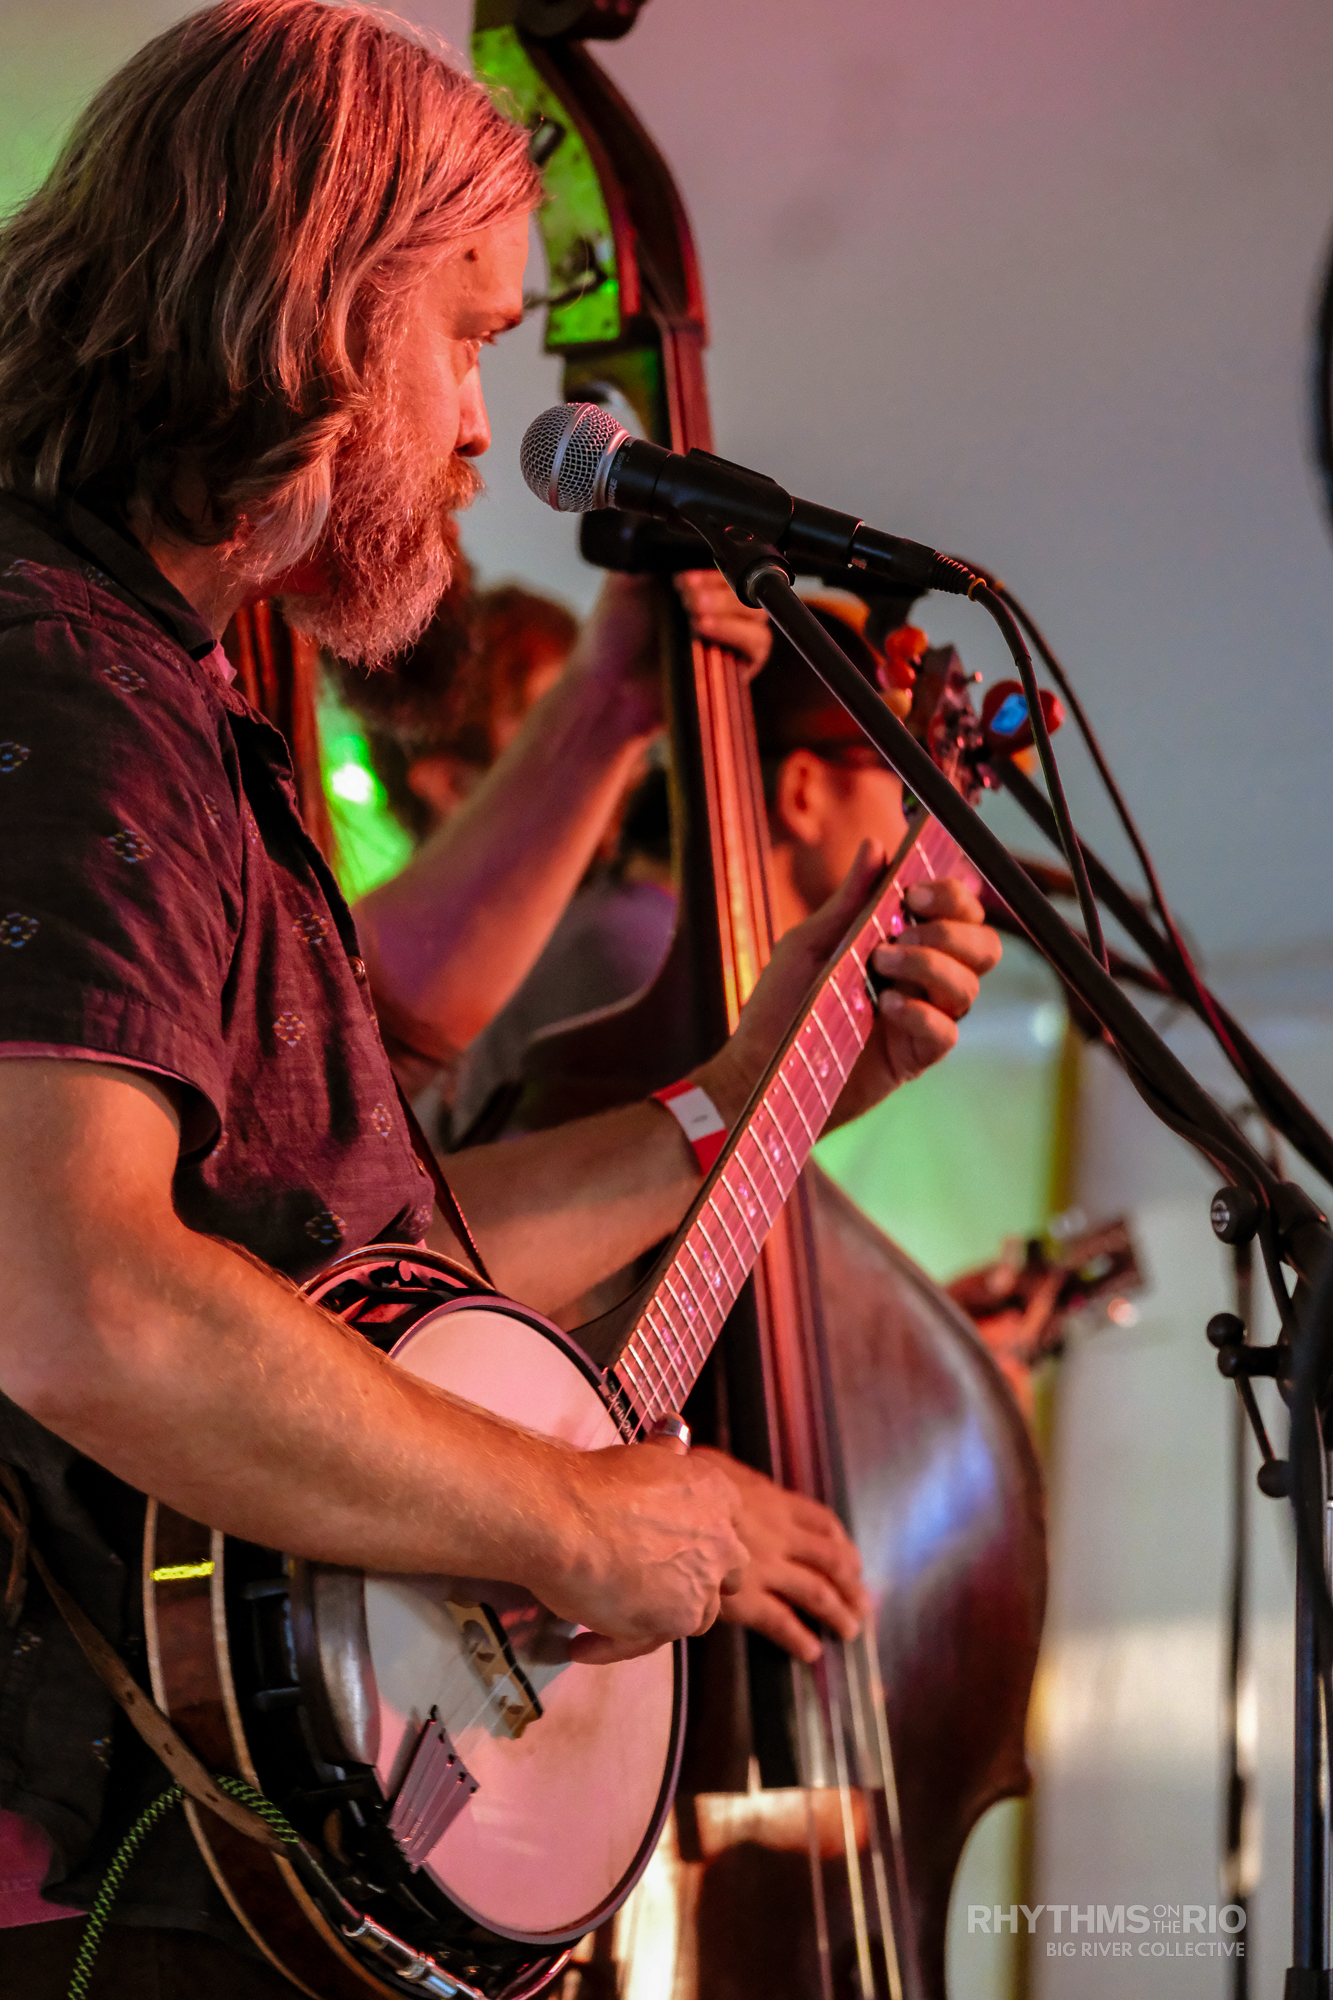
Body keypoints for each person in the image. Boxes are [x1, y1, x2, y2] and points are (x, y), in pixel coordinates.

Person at [0, 4, 1001, 1988]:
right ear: (316, 308)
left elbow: (365, 1279)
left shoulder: (159, 689)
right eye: (462, 340)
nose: (481, 428)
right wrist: (573, 1521)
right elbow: (78, 1294)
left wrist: (763, 1090)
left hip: (202, 1861)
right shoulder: (61, 677)